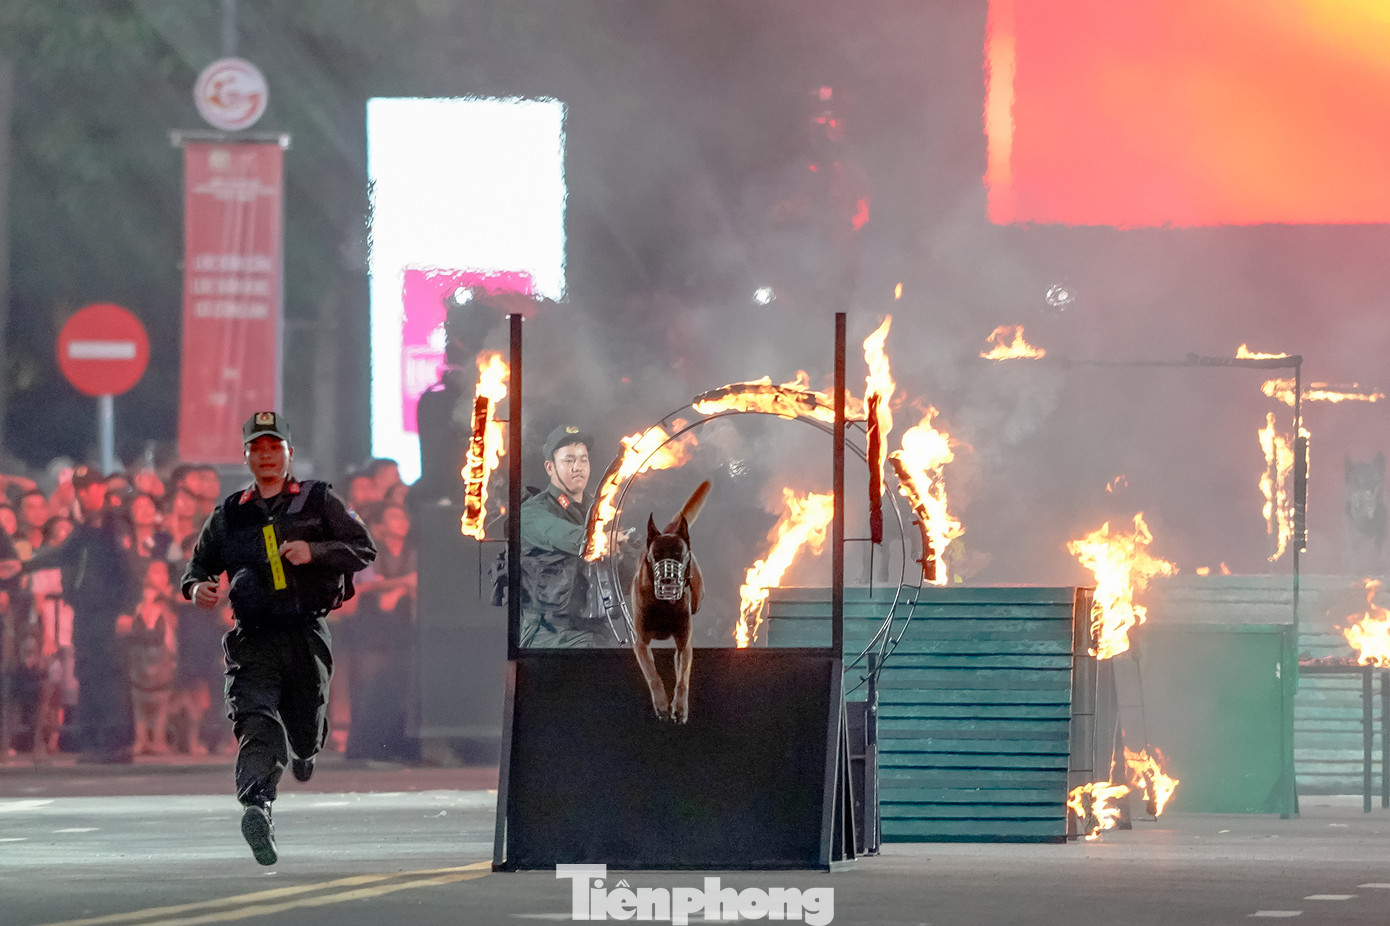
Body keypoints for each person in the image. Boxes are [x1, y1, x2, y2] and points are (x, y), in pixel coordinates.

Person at [181, 411, 376, 866]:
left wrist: (315, 551)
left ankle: (305, 750)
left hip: (305, 632)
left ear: (290, 453)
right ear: (245, 455)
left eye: (274, 447)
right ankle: (257, 806)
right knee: (256, 719)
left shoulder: (319, 500)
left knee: (305, 726)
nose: (266, 456)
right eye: (257, 448)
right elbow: (197, 567)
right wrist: (197, 589)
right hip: (253, 637)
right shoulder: (230, 513)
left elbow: (364, 549)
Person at [21, 465, 140, 762]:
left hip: (109, 613)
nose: (85, 494)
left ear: (101, 488)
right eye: (80, 490)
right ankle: (94, 741)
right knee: (88, 674)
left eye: (90, 488)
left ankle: (115, 742)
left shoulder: (114, 524)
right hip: (86, 614)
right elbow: (62, 553)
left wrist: (126, 610)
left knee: (110, 675)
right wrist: (23, 566)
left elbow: (131, 571)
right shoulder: (85, 528)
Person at [519, 424, 620, 648]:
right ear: (550, 467)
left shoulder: (598, 511)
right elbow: (571, 538)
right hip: (549, 634)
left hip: (595, 630)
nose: (578, 467)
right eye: (569, 460)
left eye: (584, 460)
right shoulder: (531, 512)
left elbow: (625, 573)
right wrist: (606, 541)